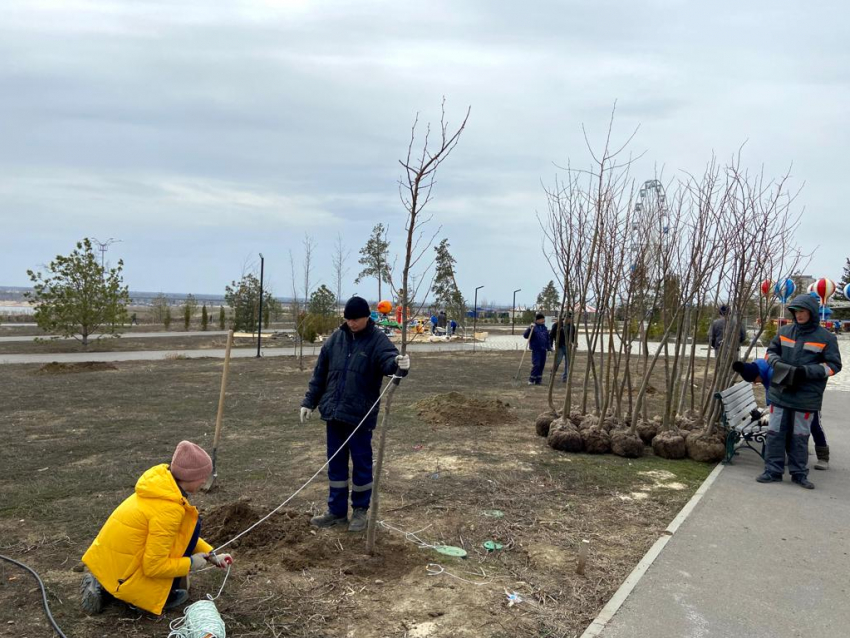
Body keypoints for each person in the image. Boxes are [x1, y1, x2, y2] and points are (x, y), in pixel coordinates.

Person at [80, 441, 233, 616]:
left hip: (111, 565)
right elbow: (154, 566)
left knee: (187, 529)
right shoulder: (168, 510)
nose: (205, 481)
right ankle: (135, 598)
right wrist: (190, 563)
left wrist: (212, 555)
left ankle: (102, 585)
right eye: (203, 477)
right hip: (128, 575)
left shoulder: (160, 489)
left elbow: (178, 537)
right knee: (175, 589)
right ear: (191, 477)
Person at [300, 296, 410, 532]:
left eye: (356, 319)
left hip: (360, 417)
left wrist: (400, 365)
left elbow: (389, 362)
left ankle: (360, 511)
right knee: (336, 466)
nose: (351, 323)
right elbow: (320, 375)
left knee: (361, 465)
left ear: (366, 317)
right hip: (334, 414)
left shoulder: (376, 340)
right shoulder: (334, 341)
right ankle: (336, 512)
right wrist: (309, 402)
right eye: (348, 319)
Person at [758, 294, 841, 488]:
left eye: (803, 311)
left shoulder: (826, 338)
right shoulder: (785, 331)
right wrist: (776, 363)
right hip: (781, 393)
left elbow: (834, 365)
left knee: (800, 436)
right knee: (775, 434)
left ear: (811, 312)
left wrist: (807, 372)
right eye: (796, 311)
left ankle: (799, 474)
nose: (799, 315)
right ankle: (773, 471)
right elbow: (770, 352)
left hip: (806, 397)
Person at [734, 357, 832, 471]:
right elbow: (771, 393)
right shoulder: (764, 372)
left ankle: (823, 457)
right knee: (792, 425)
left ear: (757, 373)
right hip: (792, 397)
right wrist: (770, 410)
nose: (755, 383)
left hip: (808, 395)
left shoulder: (773, 372)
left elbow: (779, 392)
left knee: (814, 424)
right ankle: (799, 451)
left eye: (754, 380)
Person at [523, 313, 551, 385]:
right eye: (542, 319)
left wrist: (549, 348)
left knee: (541, 365)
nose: (543, 320)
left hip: (543, 350)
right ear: (537, 320)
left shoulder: (544, 328)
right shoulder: (533, 328)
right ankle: (531, 379)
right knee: (536, 364)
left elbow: (547, 339)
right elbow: (525, 336)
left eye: (543, 319)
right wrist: (529, 328)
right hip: (536, 349)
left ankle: (538, 380)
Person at [549, 312, 577, 383]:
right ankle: (552, 374)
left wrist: (574, 343)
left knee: (568, 362)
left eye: (571, 318)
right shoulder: (556, 325)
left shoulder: (572, 326)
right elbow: (551, 336)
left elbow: (573, 337)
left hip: (568, 346)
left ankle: (565, 378)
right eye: (570, 318)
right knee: (557, 361)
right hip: (560, 346)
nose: (570, 320)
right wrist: (550, 346)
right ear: (565, 318)